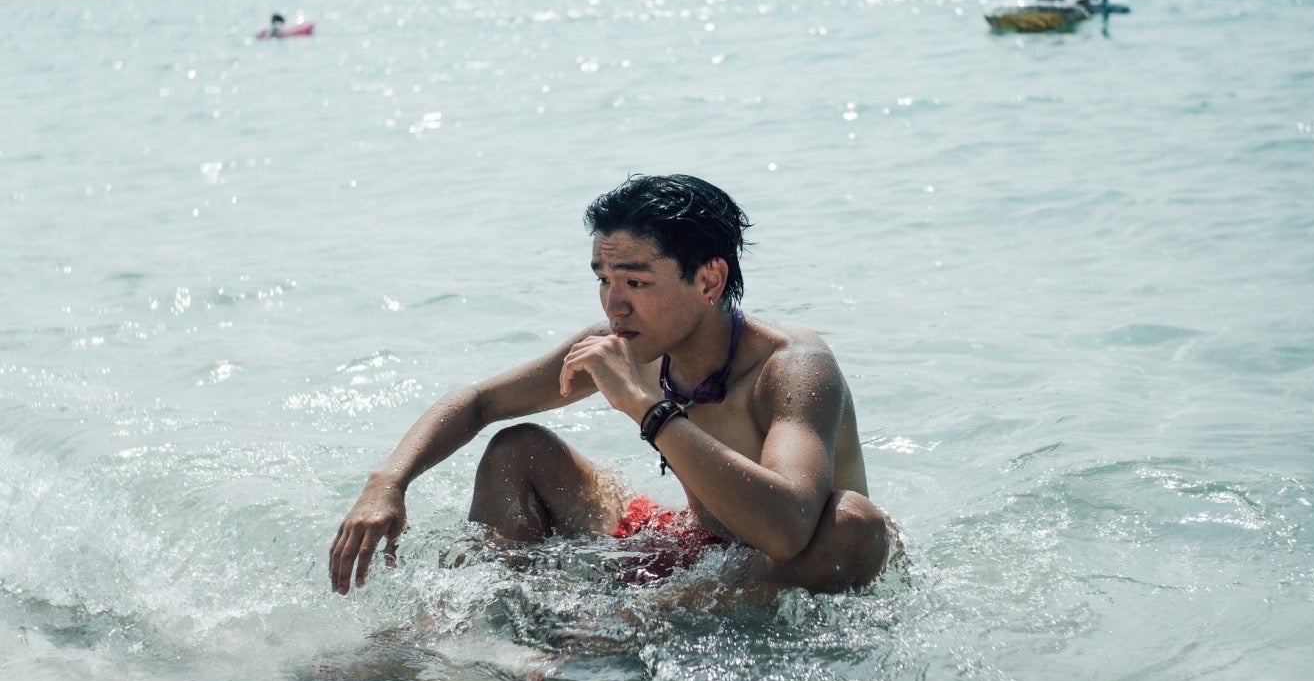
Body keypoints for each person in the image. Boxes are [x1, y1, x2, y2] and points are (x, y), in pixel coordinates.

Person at [328, 174, 891, 602]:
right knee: (518, 450)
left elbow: (789, 530)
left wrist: (648, 410)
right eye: (604, 279)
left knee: (855, 527)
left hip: (769, 570)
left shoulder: (792, 367)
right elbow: (480, 402)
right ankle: (470, 631)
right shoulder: (627, 343)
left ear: (709, 279)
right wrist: (387, 482)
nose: (613, 304)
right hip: (695, 554)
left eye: (637, 282)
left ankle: (616, 637)